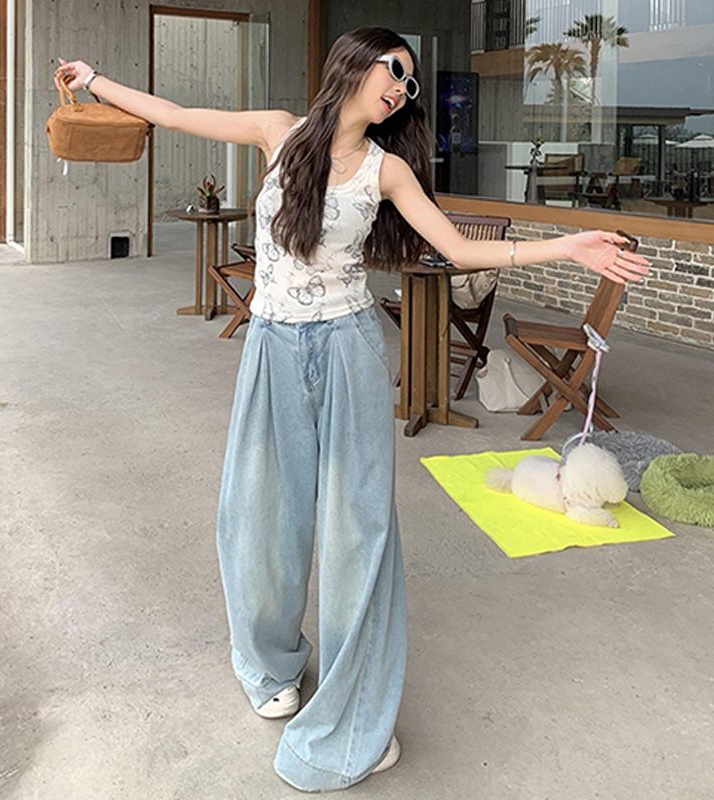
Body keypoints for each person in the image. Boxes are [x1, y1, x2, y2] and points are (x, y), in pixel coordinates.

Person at [55, 26, 650, 793]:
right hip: (272, 347)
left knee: (355, 531)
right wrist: (95, 80)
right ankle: (270, 663)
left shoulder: (387, 168)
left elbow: (459, 249)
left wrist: (566, 246)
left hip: (348, 351)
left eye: (409, 81)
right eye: (393, 69)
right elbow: (172, 112)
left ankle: (355, 707)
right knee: (257, 513)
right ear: (353, 62)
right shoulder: (278, 132)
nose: (401, 87)